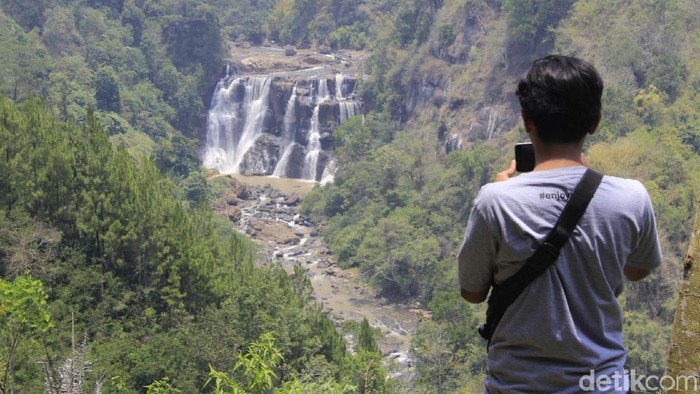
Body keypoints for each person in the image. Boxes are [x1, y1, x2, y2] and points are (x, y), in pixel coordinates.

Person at [457, 55, 662, 393]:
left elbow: (473, 293)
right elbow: (638, 270)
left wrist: (502, 192)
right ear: (595, 122)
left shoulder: (494, 201)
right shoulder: (631, 198)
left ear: (527, 121)